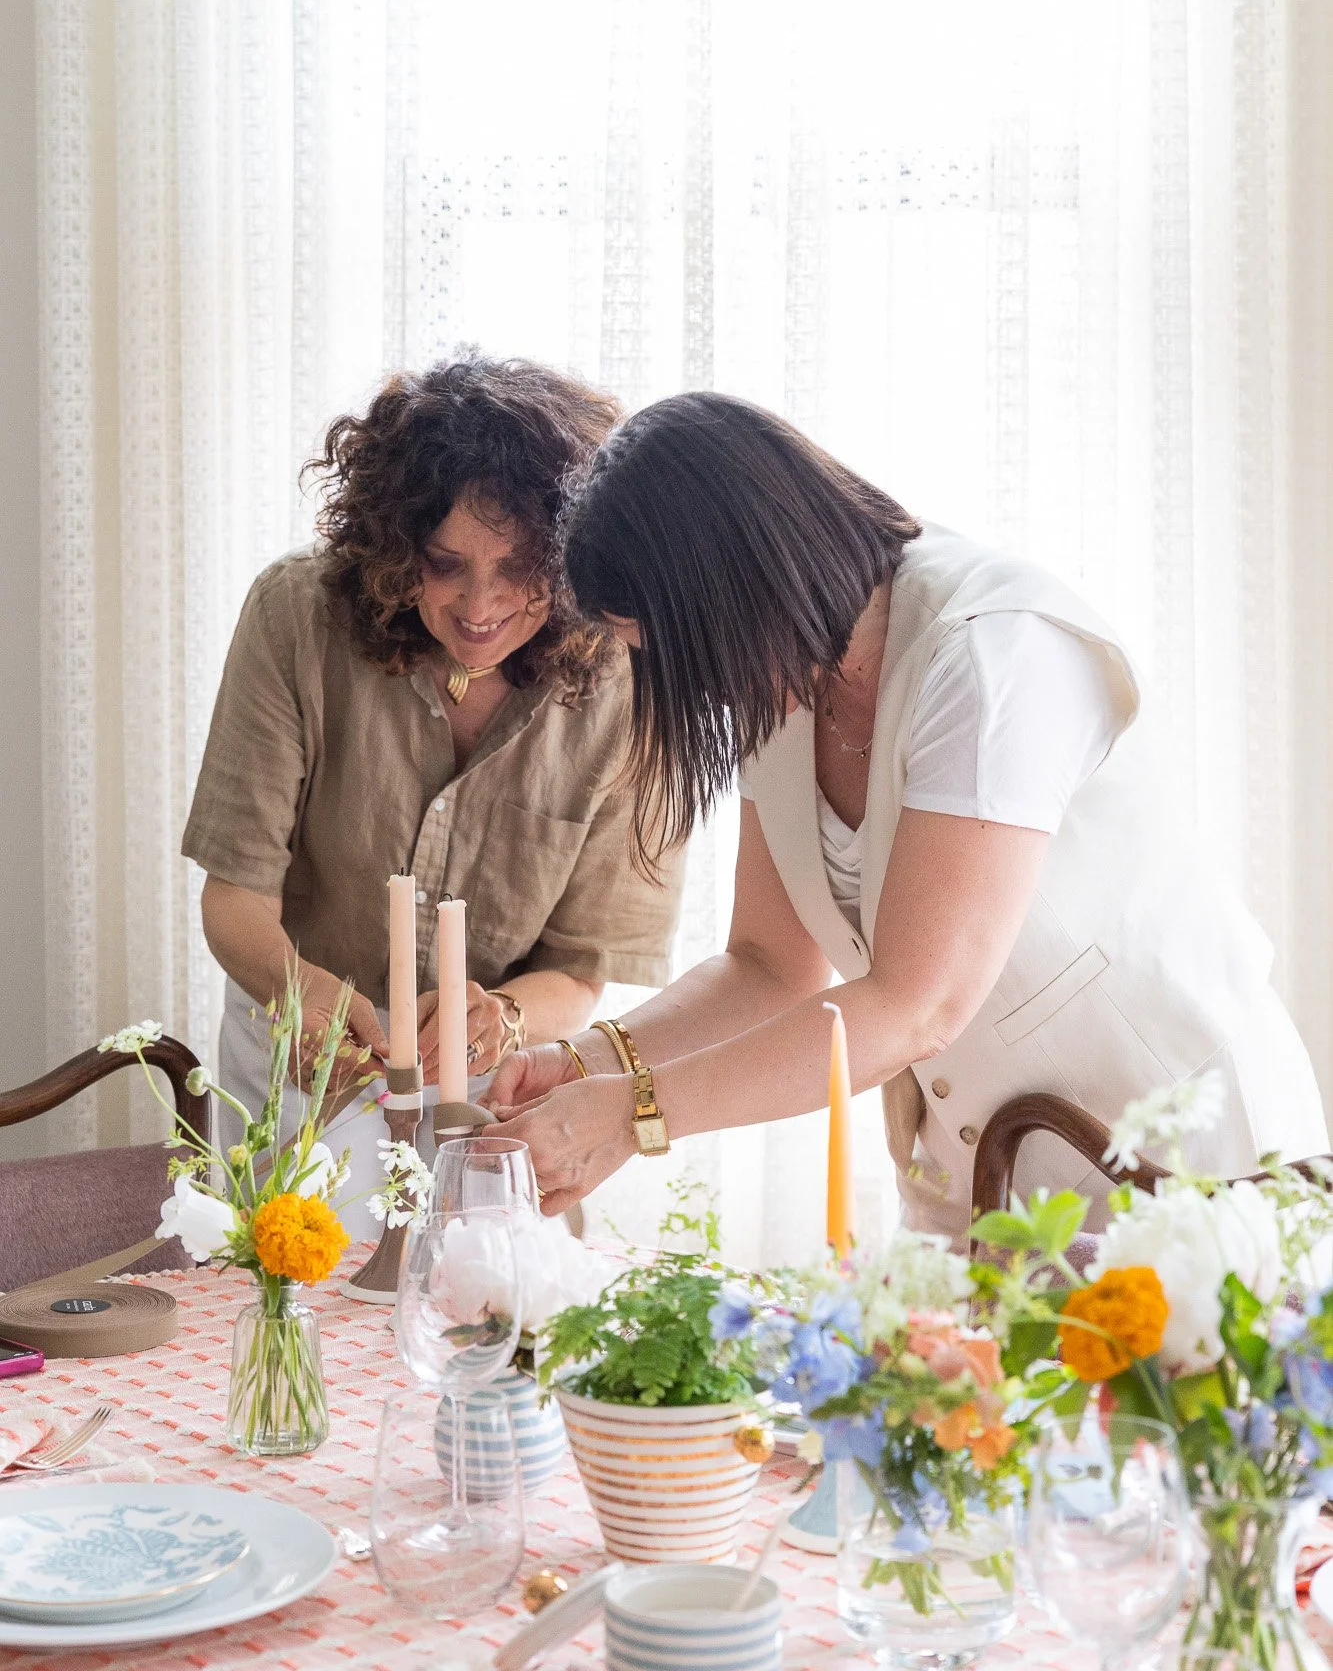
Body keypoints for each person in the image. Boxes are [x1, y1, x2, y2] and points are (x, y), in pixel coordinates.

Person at [487, 391, 1328, 1244]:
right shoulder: (781, 674)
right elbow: (767, 965)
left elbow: (918, 1005)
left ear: (743, 585)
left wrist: (632, 1116)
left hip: (1185, 1166)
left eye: (680, 649)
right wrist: (589, 1063)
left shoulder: (993, 653)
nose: (691, 685)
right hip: (990, 1180)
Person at [182, 357, 684, 1233]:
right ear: (390, 550)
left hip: (493, 1083)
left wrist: (505, 1016)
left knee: (476, 1328)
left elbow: (584, 965)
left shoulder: (632, 681)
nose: (480, 605)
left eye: (520, 566)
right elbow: (234, 901)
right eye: (446, 565)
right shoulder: (297, 617)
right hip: (300, 1051)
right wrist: (313, 1001)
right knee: (290, 1320)